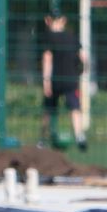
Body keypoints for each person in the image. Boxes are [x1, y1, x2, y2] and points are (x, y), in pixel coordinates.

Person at [40, 12, 89, 151]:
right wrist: (80, 73)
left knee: (48, 110)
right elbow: (84, 59)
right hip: (70, 79)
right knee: (75, 108)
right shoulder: (72, 37)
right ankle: (79, 135)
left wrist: (46, 81)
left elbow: (47, 59)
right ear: (64, 20)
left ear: (48, 20)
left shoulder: (49, 37)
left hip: (55, 80)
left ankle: (42, 139)